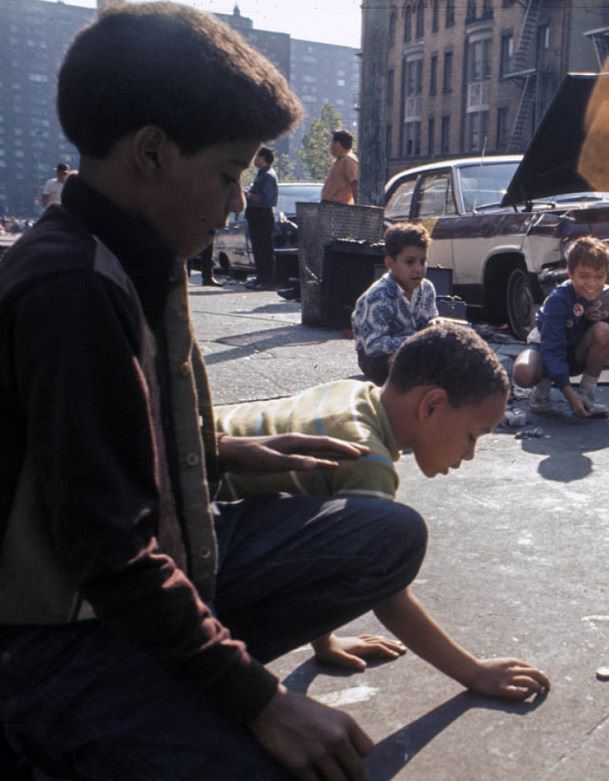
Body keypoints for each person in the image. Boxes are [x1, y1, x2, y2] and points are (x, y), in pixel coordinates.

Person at [0, 6, 543, 780]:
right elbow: (108, 549)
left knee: (385, 534)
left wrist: (222, 451)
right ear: (150, 153)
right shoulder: (73, 288)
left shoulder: (140, 254)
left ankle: (182, 665)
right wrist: (260, 698)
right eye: (227, 174)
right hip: (59, 634)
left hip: (150, 569)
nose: (235, 202)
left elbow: (104, 452)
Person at [214, 322, 549, 676]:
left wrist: (324, 641)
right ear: (432, 405)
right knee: (392, 542)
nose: (469, 454)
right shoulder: (366, 457)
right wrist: (473, 672)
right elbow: (388, 593)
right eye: (471, 436)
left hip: (190, 501)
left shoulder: (352, 397)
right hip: (188, 540)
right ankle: (219, 668)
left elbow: (318, 525)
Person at [513, 235, 609, 418]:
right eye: (584, 276)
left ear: (607, 273)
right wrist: (568, 393)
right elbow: (551, 346)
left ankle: (587, 394)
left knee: (604, 331)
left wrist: (597, 320)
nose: (592, 284)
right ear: (570, 274)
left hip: (576, 352)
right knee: (523, 372)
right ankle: (542, 390)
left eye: (599, 276)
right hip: (547, 350)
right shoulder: (558, 299)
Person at [351, 222, 439, 385]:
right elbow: (374, 346)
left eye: (422, 261)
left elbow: (429, 320)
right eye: (410, 262)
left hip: (415, 348)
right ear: (390, 263)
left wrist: (435, 325)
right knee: (405, 363)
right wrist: (418, 339)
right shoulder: (377, 296)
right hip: (377, 359)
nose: (418, 269)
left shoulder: (427, 288)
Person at [244, 145, 278, 290]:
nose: (254, 159)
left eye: (257, 156)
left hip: (262, 215)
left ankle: (267, 280)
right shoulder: (261, 174)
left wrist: (248, 195)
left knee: (265, 249)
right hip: (255, 215)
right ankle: (260, 277)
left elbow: (267, 199)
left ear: (263, 158)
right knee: (257, 249)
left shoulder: (268, 176)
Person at [321, 128, 359, 205]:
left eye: (332, 143)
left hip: (337, 208)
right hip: (328, 205)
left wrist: (358, 207)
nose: (330, 146)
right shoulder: (340, 160)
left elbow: (354, 184)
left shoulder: (348, 160)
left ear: (337, 144)